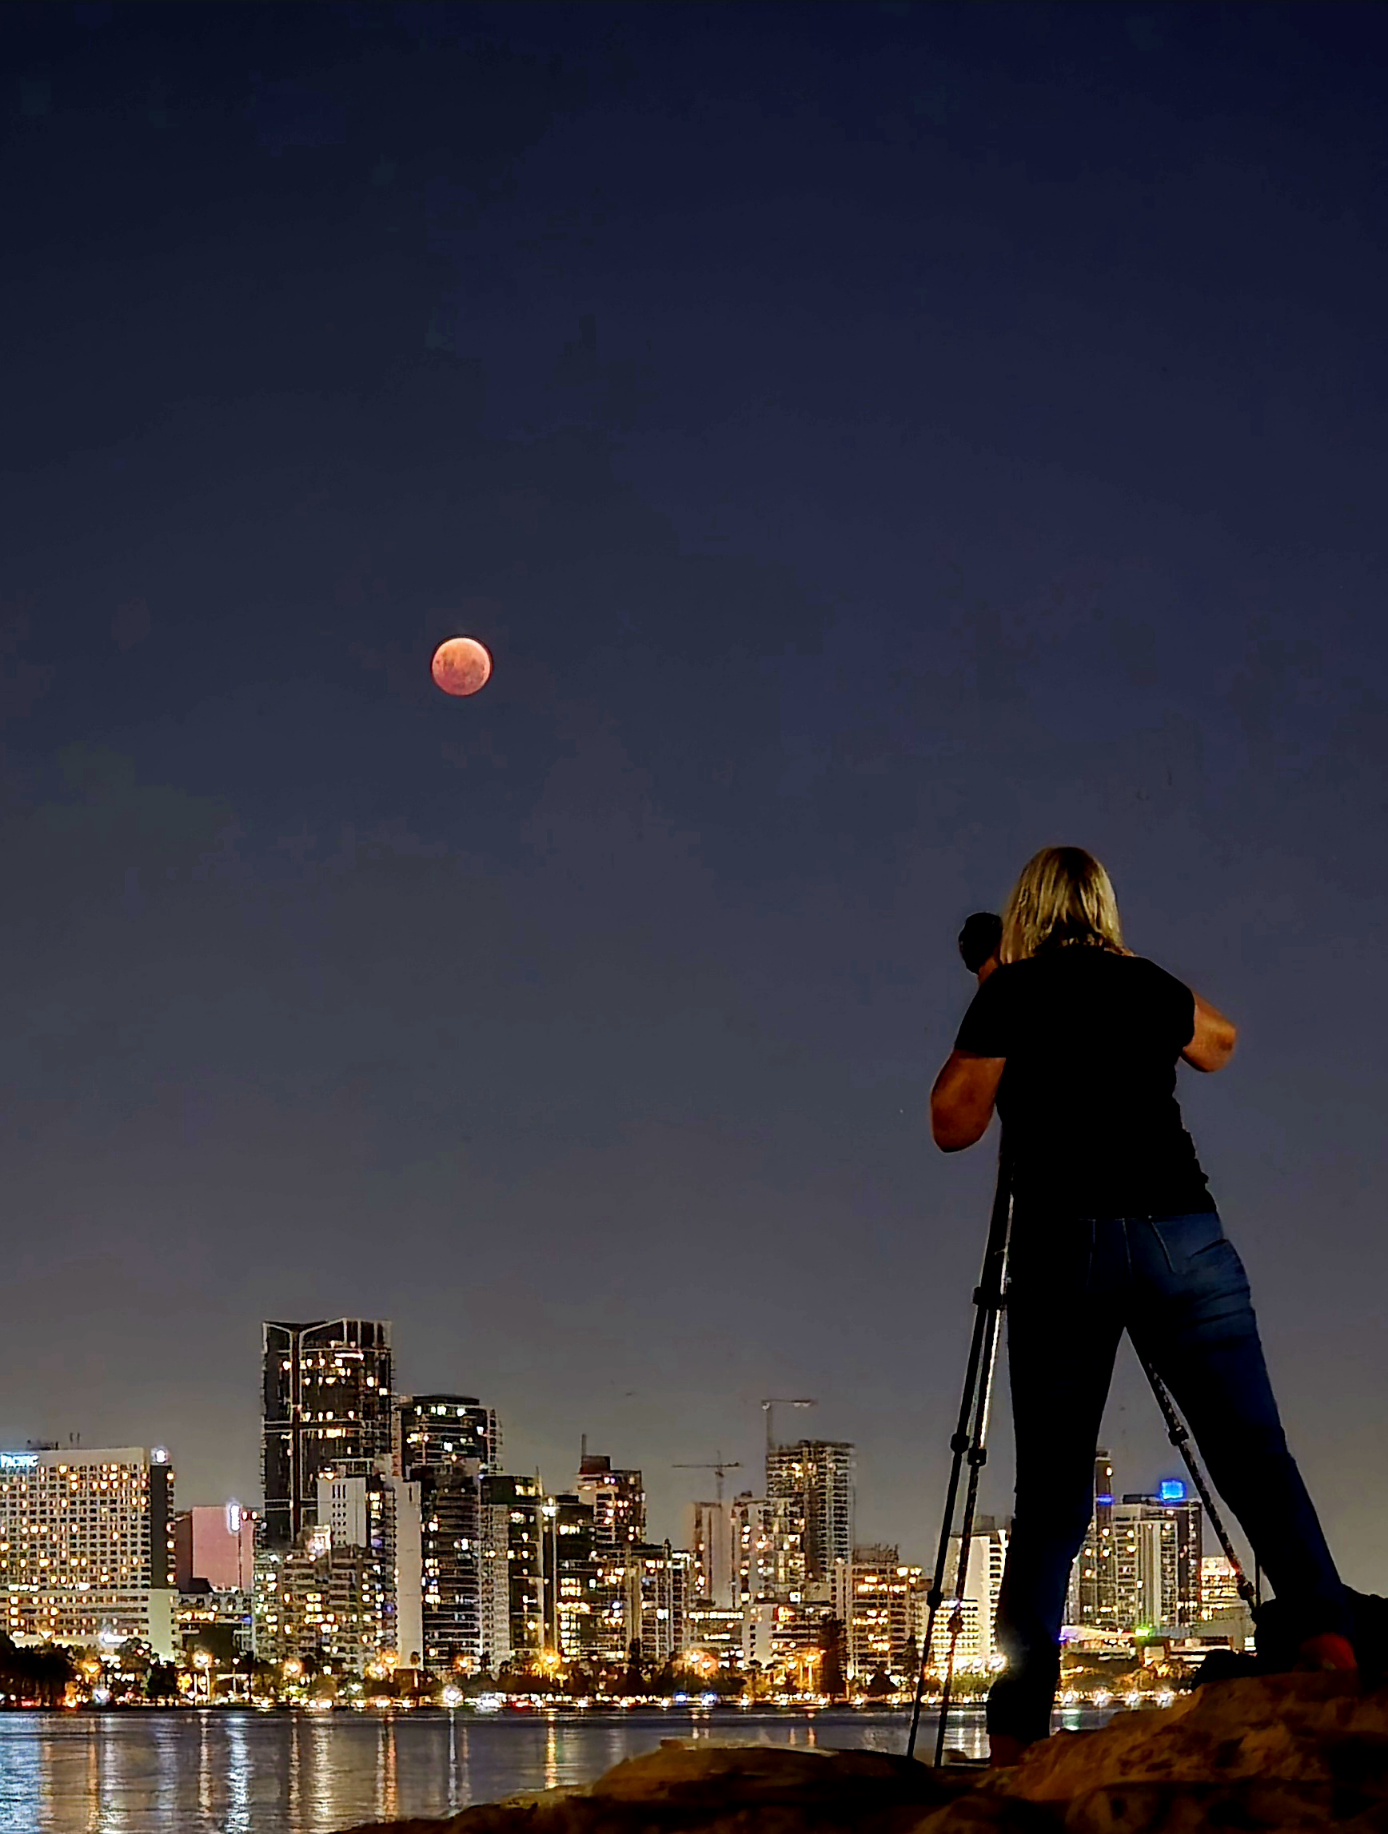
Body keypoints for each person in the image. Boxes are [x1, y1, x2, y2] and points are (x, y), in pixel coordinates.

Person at [930, 845, 1356, 1766]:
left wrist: (998, 992)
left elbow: (953, 1124)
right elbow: (1220, 1044)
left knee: (1049, 1504)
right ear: (1104, 910)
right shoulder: (1142, 982)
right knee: (1256, 1459)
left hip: (1063, 1249)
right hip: (1183, 1237)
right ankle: (1331, 1646)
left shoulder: (1015, 990)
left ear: (1026, 914)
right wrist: (1135, 983)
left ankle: (1014, 1739)